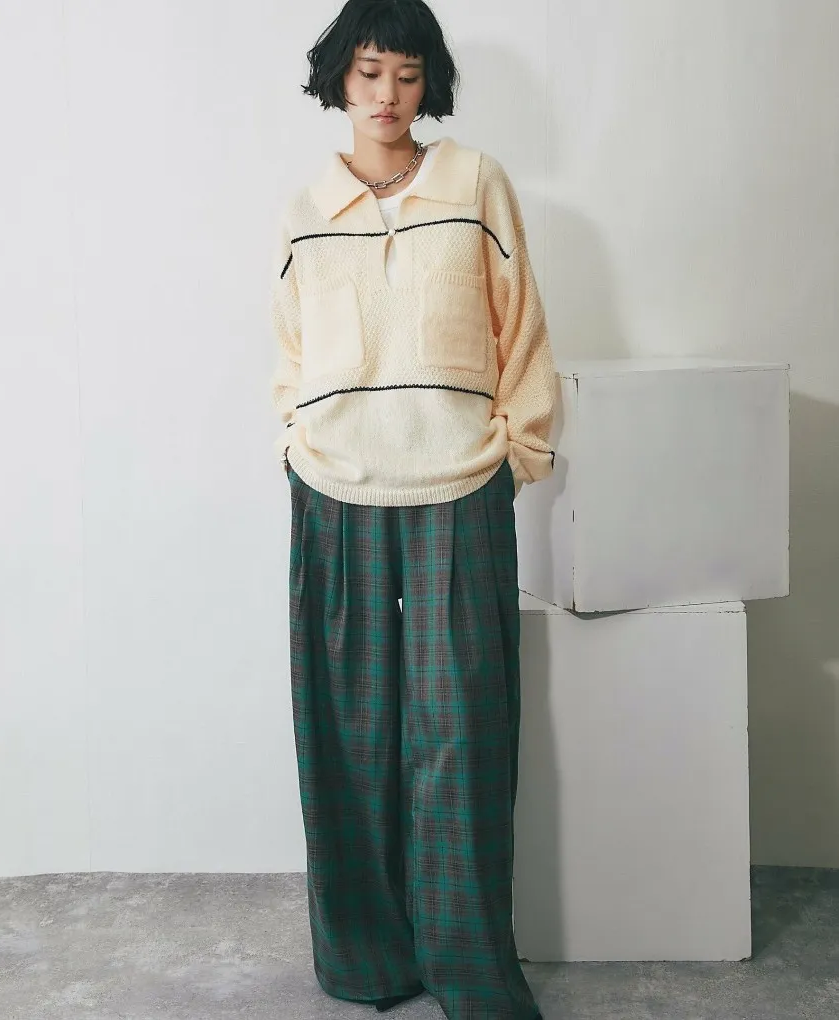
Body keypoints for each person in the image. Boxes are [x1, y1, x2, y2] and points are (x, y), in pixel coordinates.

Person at [269, 2, 556, 1017]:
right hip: (334, 486)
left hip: (459, 483)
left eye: (404, 73)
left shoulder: (476, 184)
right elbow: (289, 347)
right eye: (367, 72)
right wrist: (293, 442)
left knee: (461, 732)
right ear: (337, 81)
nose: (385, 94)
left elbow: (521, 326)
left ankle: (469, 967)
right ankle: (366, 964)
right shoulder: (307, 207)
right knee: (347, 735)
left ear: (428, 81)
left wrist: (519, 447)